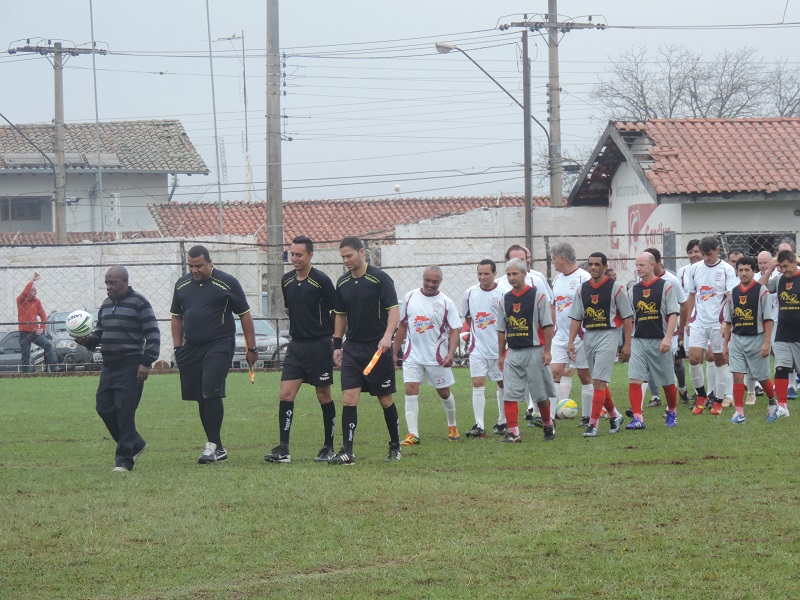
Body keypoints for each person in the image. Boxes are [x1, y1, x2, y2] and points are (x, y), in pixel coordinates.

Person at [171, 245, 257, 464]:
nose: (194, 270)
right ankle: (217, 447)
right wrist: (178, 348)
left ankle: (212, 446)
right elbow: (177, 317)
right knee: (201, 396)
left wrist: (251, 348)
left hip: (219, 344)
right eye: (191, 266)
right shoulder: (181, 284)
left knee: (211, 391)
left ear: (210, 262)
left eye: (199, 265)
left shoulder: (227, 283)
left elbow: (245, 315)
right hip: (191, 348)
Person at [76, 267, 160, 472]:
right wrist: (87, 341)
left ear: (124, 281)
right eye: (106, 283)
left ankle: (124, 460)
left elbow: (153, 334)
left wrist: (146, 362)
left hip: (131, 366)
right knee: (103, 407)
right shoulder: (105, 305)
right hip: (109, 367)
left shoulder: (139, 303)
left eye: (112, 283)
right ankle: (136, 443)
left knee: (124, 410)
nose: (108, 287)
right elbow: (99, 335)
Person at [264, 236, 337, 464]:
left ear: (310, 255)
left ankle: (329, 447)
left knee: (323, 395)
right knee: (285, 394)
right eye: (291, 255)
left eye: (299, 255)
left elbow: (335, 312)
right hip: (296, 346)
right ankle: (283, 449)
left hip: (319, 346)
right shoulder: (286, 281)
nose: (294, 259)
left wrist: (334, 343)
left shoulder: (321, 281)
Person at [331, 236, 402, 464]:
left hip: (377, 350)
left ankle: (395, 445)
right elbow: (340, 316)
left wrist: (387, 337)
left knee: (385, 400)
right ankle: (347, 451)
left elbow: (393, 311)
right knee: (348, 399)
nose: (346, 260)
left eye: (349, 256)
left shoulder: (380, 279)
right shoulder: (342, 283)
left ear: (362, 252)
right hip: (353, 348)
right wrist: (337, 344)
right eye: (342, 257)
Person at [394, 266, 462, 446]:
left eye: (435, 281)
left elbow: (454, 330)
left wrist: (451, 353)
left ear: (440, 281)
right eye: (428, 280)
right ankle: (413, 434)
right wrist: (395, 353)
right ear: (422, 278)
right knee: (410, 389)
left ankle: (452, 426)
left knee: (444, 392)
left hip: (437, 357)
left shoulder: (446, 302)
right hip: (412, 355)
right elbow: (402, 326)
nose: (431, 284)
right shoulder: (410, 297)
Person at [567, 252, 632, 438]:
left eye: (597, 264)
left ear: (605, 267)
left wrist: (627, 344)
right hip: (589, 336)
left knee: (599, 381)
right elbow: (576, 317)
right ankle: (615, 415)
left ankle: (592, 424)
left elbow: (627, 317)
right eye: (590, 264)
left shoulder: (616, 288)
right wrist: (571, 342)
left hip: (608, 334)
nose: (593, 267)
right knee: (598, 380)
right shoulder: (582, 289)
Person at [495, 258, 557, 443]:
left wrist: (547, 351)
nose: (512, 278)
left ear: (524, 274)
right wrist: (501, 354)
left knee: (540, 395)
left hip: (535, 351)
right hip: (513, 352)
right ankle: (514, 433)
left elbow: (547, 325)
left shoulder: (538, 296)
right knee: (509, 394)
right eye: (509, 275)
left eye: (515, 274)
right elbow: (501, 329)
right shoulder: (504, 300)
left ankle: (548, 424)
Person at [625, 252, 680, 429]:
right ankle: (638, 418)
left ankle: (672, 411)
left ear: (652, 265)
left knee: (667, 381)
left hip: (659, 340)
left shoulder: (666, 287)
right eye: (637, 265)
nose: (638, 268)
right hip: (639, 340)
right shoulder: (633, 290)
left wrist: (668, 338)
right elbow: (631, 317)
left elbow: (673, 314)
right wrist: (629, 340)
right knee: (635, 379)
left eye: (642, 265)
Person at [683, 236, 737, 415]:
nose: (706, 258)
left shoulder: (727, 269)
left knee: (720, 360)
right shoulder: (695, 269)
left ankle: (719, 401)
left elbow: (730, 297)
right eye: (704, 254)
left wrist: (726, 322)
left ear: (718, 249)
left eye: (710, 254)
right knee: (693, 358)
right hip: (699, 322)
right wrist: (689, 320)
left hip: (718, 324)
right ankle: (701, 396)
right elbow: (691, 295)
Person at [722, 256, 777, 424]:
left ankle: (773, 401)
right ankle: (739, 413)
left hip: (757, 339)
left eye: (747, 270)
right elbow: (729, 321)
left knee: (762, 377)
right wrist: (726, 345)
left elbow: (768, 319)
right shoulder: (733, 293)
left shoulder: (762, 291)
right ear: (736, 271)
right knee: (737, 375)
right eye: (740, 270)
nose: (743, 273)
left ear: (754, 271)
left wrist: (767, 342)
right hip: (737, 340)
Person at [548, 241, 593, 427]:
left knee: (585, 376)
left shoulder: (584, 277)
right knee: (554, 373)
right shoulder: (557, 279)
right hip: (560, 336)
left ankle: (588, 417)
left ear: (562, 258)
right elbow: (554, 305)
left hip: (581, 336)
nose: (553, 263)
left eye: (553, 259)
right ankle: (549, 418)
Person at [462, 259, 507, 437]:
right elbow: (468, 318)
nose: (482, 277)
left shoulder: (504, 293)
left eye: (486, 274)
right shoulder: (469, 293)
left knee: (502, 383)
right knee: (477, 384)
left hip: (499, 349)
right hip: (478, 347)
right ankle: (479, 425)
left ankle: (502, 420)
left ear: (495, 274)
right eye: (479, 273)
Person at [759, 249, 800, 420]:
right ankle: (782, 406)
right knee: (781, 368)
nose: (784, 270)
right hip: (783, 332)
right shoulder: (779, 279)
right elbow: (760, 288)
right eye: (781, 267)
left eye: (786, 266)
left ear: (794, 262)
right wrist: (770, 269)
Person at [16, 272, 59, 372]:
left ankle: (53, 367)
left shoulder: (37, 301)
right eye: (34, 291)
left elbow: (43, 316)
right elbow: (24, 291)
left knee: (47, 345)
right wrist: (32, 280)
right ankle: (26, 374)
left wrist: (42, 328)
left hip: (35, 332)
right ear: (29, 292)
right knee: (25, 354)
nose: (36, 293)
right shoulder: (21, 300)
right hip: (24, 332)